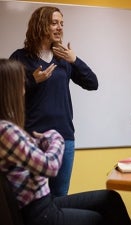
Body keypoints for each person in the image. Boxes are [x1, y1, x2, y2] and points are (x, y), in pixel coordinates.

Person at [0, 58, 131, 225]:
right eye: (21, 84)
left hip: (45, 204)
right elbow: (50, 166)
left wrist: (43, 140)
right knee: (98, 220)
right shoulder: (6, 131)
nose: (24, 89)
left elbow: (30, 148)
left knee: (110, 199)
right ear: (9, 89)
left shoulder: (8, 129)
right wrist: (55, 137)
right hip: (40, 215)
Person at [9, 6, 98, 197]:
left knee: (60, 198)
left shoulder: (63, 59)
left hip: (64, 138)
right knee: (34, 199)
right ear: (41, 25)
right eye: (54, 23)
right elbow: (8, 93)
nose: (60, 28)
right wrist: (33, 80)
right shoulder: (20, 58)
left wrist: (75, 60)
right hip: (32, 138)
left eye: (62, 24)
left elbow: (93, 83)